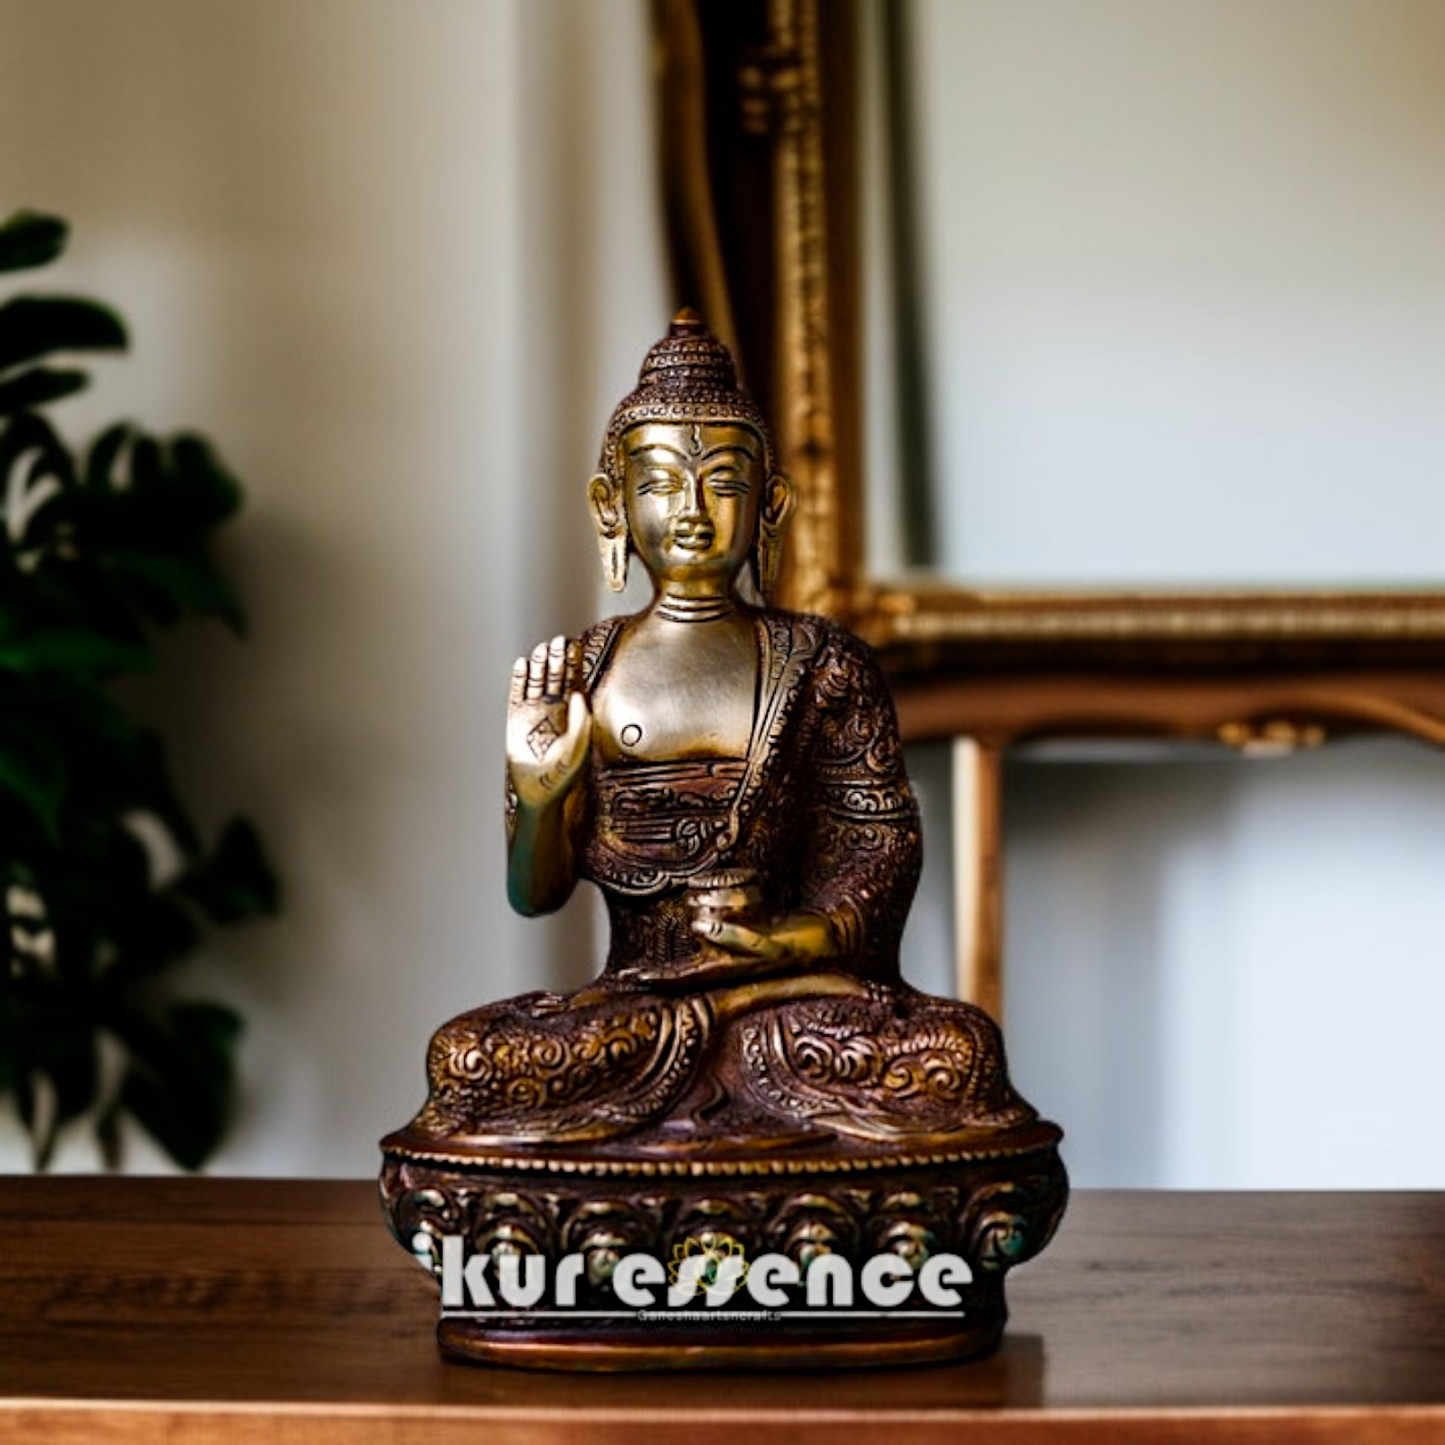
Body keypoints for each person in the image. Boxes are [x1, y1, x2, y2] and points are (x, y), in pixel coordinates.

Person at [406, 311, 1034, 1157]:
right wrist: (538, 796)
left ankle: (708, 1118)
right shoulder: (580, 671)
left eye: (722, 483)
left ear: (770, 503)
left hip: (789, 1002)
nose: (692, 511)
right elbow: (536, 895)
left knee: (955, 1056)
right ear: (611, 504)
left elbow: (879, 846)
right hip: (635, 1006)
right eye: (662, 483)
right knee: (472, 1059)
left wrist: (798, 937)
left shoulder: (822, 662)